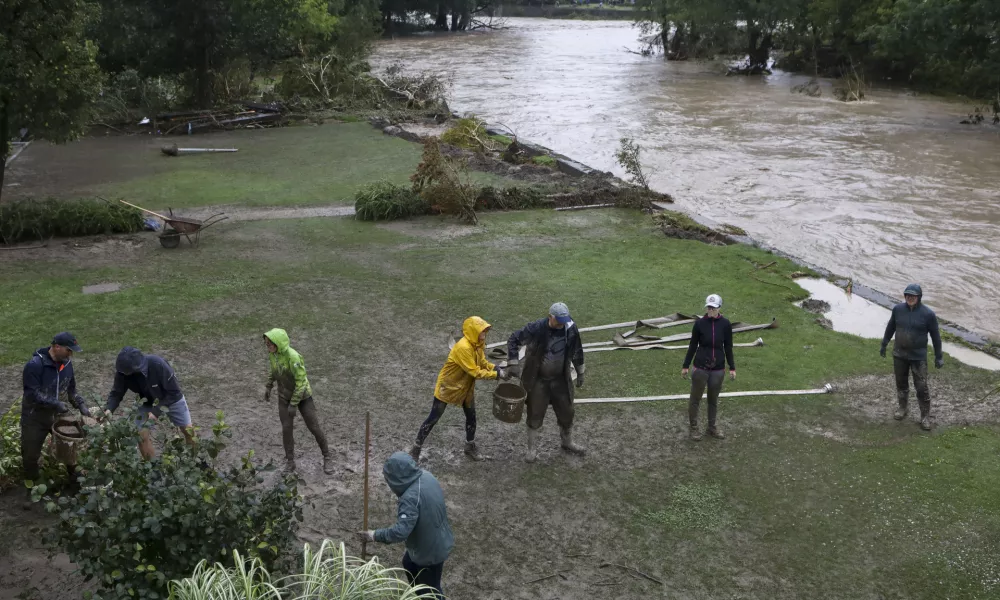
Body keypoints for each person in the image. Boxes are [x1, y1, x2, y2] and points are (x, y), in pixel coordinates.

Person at [410, 316, 508, 462]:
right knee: (434, 417)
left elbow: (482, 362)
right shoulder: (464, 348)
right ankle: (415, 449)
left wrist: (495, 367)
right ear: (473, 331)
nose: (484, 334)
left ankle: (469, 447)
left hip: (466, 387)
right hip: (448, 386)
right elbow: (475, 371)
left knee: (471, 416)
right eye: (482, 331)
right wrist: (497, 375)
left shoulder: (477, 343)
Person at [357, 452, 454, 598]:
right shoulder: (426, 476)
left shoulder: (410, 498)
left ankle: (425, 595)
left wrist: (373, 535)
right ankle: (417, 594)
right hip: (438, 537)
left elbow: (400, 532)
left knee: (432, 589)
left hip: (429, 552)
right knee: (408, 563)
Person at [507, 302, 586, 463]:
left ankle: (567, 441)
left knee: (567, 412)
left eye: (564, 319)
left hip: (561, 380)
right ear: (550, 316)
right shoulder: (536, 328)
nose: (562, 323)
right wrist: (513, 362)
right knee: (534, 414)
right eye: (559, 320)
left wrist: (580, 372)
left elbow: (577, 350)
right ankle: (532, 449)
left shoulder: (570, 328)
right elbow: (514, 339)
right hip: (538, 380)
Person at [21, 333, 91, 489]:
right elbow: (32, 394)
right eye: (68, 350)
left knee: (71, 446)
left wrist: (81, 405)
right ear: (56, 347)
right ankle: (31, 484)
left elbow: (71, 390)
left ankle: (74, 480)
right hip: (35, 417)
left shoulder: (66, 364)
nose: (70, 354)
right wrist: (55, 403)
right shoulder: (35, 365)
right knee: (30, 454)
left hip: (58, 414)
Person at [263, 329, 334, 474]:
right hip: (283, 397)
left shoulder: (293, 357)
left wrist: (294, 404)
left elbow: (301, 383)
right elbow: (274, 370)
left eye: (270, 344)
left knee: (313, 426)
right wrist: (269, 385)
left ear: (278, 343)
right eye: (266, 344)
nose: (268, 347)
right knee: (286, 429)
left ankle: (327, 456)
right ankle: (290, 461)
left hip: (302, 397)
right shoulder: (273, 354)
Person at [105, 347, 194, 460]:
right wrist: (109, 409)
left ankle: (197, 460)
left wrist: (156, 411)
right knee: (141, 435)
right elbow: (116, 393)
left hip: (171, 398)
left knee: (188, 430)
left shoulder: (158, 364)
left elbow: (174, 392)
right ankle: (153, 469)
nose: (126, 375)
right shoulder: (123, 372)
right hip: (147, 401)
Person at [880, 283, 943, 431]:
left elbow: (936, 337)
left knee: (921, 387)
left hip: (918, 357)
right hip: (899, 355)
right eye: (907, 295)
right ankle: (903, 408)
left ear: (919, 297)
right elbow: (890, 328)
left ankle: (925, 416)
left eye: (913, 296)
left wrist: (938, 356)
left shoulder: (928, 314)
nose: (910, 298)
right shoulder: (897, 310)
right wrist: (884, 344)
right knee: (901, 384)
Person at [681, 294, 735, 441]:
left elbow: (728, 347)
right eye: (709, 307)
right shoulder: (699, 324)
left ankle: (712, 427)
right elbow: (693, 345)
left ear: (719, 308)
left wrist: (732, 367)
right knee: (695, 399)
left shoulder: (725, 324)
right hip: (700, 368)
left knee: (713, 400)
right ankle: (693, 428)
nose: (710, 310)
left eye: (713, 308)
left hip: (718, 369)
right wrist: (686, 365)